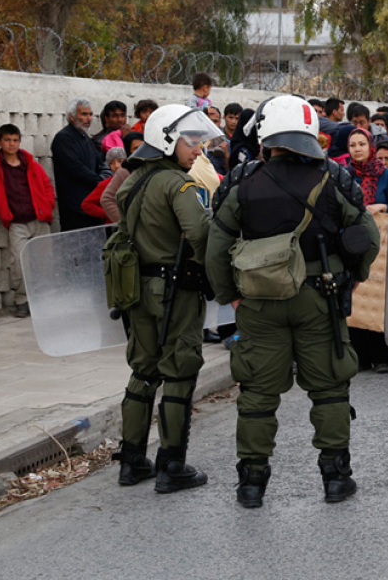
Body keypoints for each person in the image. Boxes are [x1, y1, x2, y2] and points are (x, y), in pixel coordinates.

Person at [205, 95, 380, 508]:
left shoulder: (242, 180)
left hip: (259, 302)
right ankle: (335, 478)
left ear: (264, 134)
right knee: (330, 388)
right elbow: (367, 238)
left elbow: (216, 247)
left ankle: (251, 483)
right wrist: (354, 278)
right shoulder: (334, 177)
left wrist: (231, 297)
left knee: (257, 393)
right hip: (322, 297)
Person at [111, 104, 219, 494]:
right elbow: (202, 236)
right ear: (167, 141)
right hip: (176, 288)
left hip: (137, 289)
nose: (198, 149)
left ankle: (132, 461)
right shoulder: (179, 185)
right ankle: (172, 465)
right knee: (179, 369)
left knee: (143, 369)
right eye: (191, 141)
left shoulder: (133, 181)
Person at [0, 123, 55, 318]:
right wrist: (3, 212)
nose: (11, 144)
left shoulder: (31, 164)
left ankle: (42, 299)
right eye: (7, 140)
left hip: (39, 219)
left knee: (44, 262)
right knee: (19, 262)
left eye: (15, 140)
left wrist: (48, 206)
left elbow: (47, 186)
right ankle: (22, 301)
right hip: (16, 223)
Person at [343, 126, 388, 374]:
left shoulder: (386, 175)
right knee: (356, 295)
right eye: (353, 145)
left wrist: (381, 206)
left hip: (382, 245)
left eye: (362, 144)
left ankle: (381, 357)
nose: (357, 149)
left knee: (379, 299)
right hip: (353, 243)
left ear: (371, 146)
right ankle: (360, 356)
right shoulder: (344, 175)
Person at [51, 97, 110, 231]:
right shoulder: (64, 138)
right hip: (75, 208)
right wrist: (100, 181)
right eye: (84, 114)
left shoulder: (85, 138)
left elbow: (97, 162)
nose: (89, 119)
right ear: (72, 116)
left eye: (90, 114)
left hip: (91, 205)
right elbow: (75, 168)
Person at [100, 132, 146, 223]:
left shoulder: (153, 167)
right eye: (135, 148)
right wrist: (126, 222)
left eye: (143, 147)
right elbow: (107, 199)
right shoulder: (124, 172)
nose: (141, 151)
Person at [81, 147, 127, 222]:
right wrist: (109, 213)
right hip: (114, 227)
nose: (116, 166)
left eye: (120, 161)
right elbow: (86, 204)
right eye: (111, 163)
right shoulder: (106, 184)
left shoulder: (134, 178)